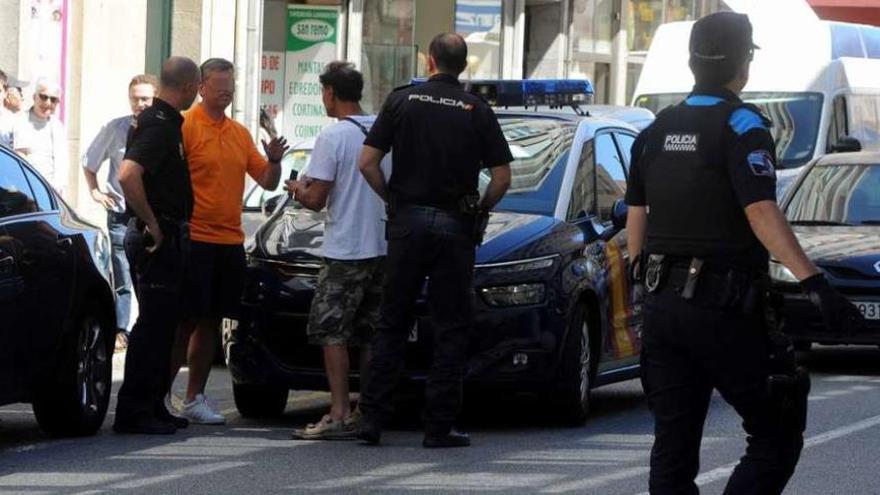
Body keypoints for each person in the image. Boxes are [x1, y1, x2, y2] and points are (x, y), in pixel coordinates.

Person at [624, 12, 865, 494]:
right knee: (776, 432)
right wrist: (814, 283)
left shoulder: (657, 128)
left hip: (662, 309)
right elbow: (760, 210)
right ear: (743, 64)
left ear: (691, 61)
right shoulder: (742, 125)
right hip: (724, 309)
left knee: (673, 448)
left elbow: (636, 211)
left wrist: (639, 275)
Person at [356, 33, 512, 448]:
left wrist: (392, 199)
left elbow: (367, 162)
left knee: (391, 322)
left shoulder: (402, 101)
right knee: (450, 328)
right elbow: (502, 178)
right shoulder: (476, 109)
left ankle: (371, 420)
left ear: (429, 61)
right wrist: (480, 209)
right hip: (454, 227)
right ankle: (439, 425)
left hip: (407, 223)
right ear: (463, 65)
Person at [169, 58, 287, 425]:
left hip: (229, 240)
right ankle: (159, 393)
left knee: (211, 321)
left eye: (230, 89)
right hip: (196, 237)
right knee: (184, 321)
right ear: (201, 87)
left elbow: (267, 181)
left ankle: (194, 398)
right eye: (219, 88)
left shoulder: (238, 133)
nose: (225, 95)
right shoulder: (186, 125)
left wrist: (276, 160)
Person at [287, 62, 390, 440]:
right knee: (371, 332)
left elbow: (316, 199)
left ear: (330, 93)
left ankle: (338, 412)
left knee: (332, 330)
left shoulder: (333, 137)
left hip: (346, 248)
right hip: (383, 246)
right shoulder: (383, 130)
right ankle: (367, 409)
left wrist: (297, 188)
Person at [114, 56, 201, 435]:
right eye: (197, 88)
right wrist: (151, 222)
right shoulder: (160, 125)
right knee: (152, 327)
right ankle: (134, 411)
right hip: (156, 236)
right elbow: (128, 174)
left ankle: (152, 404)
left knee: (164, 324)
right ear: (189, 88)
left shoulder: (166, 122)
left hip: (167, 233)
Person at [82, 74, 159, 351]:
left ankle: (147, 329)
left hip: (153, 215)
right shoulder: (115, 129)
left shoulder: (165, 131)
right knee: (123, 275)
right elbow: (89, 162)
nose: (140, 104)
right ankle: (121, 329)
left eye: (146, 99)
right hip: (121, 214)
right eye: (135, 99)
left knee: (148, 276)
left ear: (155, 99)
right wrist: (95, 191)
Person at [12, 78, 68, 196]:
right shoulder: (22, 122)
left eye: (53, 99)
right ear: (34, 97)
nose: (48, 103)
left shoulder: (57, 126)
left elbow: (61, 164)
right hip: (30, 193)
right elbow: (22, 160)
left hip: (54, 195)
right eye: (43, 97)